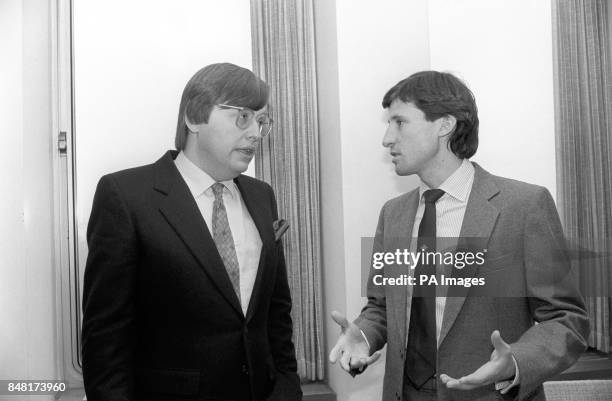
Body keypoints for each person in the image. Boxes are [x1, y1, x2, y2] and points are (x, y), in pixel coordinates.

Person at [329, 71, 589, 401]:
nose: (387, 139)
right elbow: (381, 307)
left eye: (399, 122)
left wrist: (516, 363)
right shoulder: (392, 214)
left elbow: (566, 320)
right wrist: (363, 337)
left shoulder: (524, 207)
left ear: (444, 125)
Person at [82, 63, 301, 401]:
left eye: (261, 121)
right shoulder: (126, 196)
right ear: (195, 116)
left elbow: (276, 310)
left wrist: (287, 387)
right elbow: (106, 336)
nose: (256, 133)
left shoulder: (262, 197)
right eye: (243, 117)